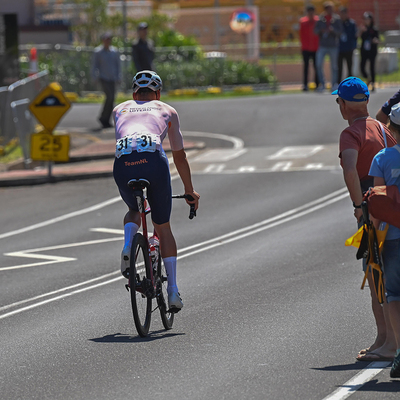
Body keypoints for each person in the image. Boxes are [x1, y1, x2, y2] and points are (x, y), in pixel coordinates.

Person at [112, 70, 200, 311]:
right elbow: (179, 156)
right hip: (153, 162)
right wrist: (190, 190)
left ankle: (128, 245)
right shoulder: (167, 110)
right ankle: (172, 291)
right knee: (163, 227)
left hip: (123, 163)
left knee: (133, 208)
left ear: (133, 93)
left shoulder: (119, 109)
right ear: (158, 93)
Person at [333, 77, 397, 359]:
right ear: (367, 101)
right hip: (393, 206)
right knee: (388, 273)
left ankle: (387, 342)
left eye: (339, 101)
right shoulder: (383, 129)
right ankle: (385, 340)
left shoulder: (350, 134)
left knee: (376, 275)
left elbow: (349, 168)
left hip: (372, 209)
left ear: (343, 105)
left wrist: (359, 205)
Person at [369, 103, 400, 373]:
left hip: (392, 236)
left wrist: (371, 239)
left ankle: (399, 351)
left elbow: (378, 203)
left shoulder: (382, 158)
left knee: (394, 293)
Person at [91, 32, 121, 129]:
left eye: (109, 39)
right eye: (105, 39)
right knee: (109, 97)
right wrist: (94, 77)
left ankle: (106, 119)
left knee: (112, 99)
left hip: (112, 78)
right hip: (103, 78)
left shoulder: (114, 51)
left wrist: (119, 76)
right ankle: (104, 117)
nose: (107, 41)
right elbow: (94, 65)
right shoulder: (98, 52)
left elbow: (118, 65)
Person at [314, 1, 342, 92]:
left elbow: (340, 32)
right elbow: (315, 31)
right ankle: (322, 84)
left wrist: (333, 30)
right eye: (328, 9)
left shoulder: (336, 19)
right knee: (318, 64)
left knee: (334, 66)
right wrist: (321, 31)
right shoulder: (321, 19)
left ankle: (334, 84)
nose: (330, 10)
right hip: (323, 45)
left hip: (333, 45)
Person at [299, 4, 319, 91]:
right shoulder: (303, 22)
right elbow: (301, 34)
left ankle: (317, 84)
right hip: (306, 48)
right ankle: (305, 84)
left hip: (315, 48)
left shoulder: (317, 21)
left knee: (316, 66)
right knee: (306, 67)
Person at [359, 12, 379, 92]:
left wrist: (375, 40)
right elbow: (358, 37)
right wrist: (361, 31)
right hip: (364, 51)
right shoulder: (363, 29)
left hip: (372, 50)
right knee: (362, 67)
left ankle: (373, 83)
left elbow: (377, 39)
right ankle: (368, 78)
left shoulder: (374, 29)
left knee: (372, 67)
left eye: (368, 19)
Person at [338, 7, 357, 82]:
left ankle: (350, 82)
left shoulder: (351, 23)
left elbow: (354, 36)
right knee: (339, 67)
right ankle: (338, 82)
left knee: (349, 66)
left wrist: (354, 46)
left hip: (349, 48)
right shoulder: (338, 23)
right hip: (340, 48)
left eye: (344, 13)